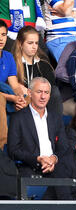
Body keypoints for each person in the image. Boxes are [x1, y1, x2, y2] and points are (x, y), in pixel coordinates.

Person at [7, 77, 68, 177]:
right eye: (39, 92)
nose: (43, 96)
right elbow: (13, 150)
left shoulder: (56, 118)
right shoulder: (18, 118)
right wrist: (38, 159)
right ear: (30, 93)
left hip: (54, 167)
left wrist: (54, 159)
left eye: (46, 93)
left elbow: (64, 146)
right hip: (29, 168)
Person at [11, 26, 62, 117]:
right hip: (22, 104)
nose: (34, 47)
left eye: (36, 43)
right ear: (20, 44)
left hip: (43, 105)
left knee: (54, 91)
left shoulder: (44, 64)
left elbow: (50, 91)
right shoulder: (12, 64)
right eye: (30, 43)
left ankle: (55, 127)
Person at [0, 19, 28, 150]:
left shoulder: (8, 56)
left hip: (7, 95)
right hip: (2, 97)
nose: (1, 39)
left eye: (3, 35)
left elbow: (15, 85)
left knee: (30, 95)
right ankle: (4, 146)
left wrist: (20, 97)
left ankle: (28, 145)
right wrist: (12, 98)